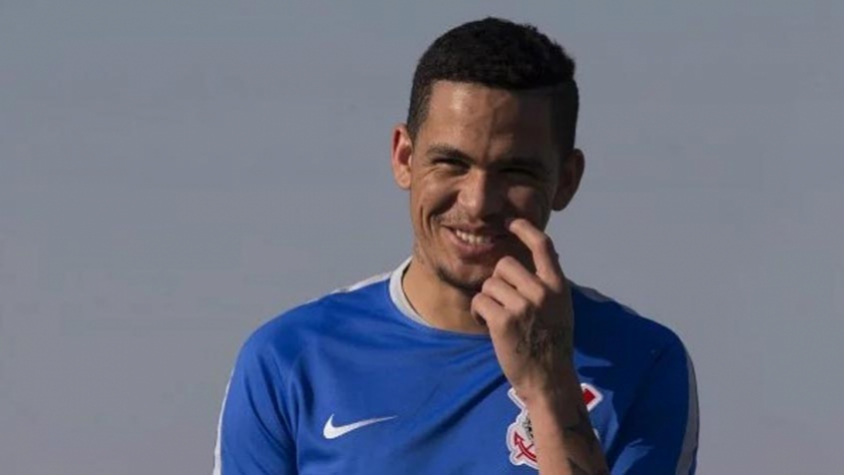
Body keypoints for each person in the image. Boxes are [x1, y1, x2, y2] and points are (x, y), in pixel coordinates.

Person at [213, 17, 699, 475]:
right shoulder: (290, 358)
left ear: (566, 180)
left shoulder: (643, 361)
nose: (478, 202)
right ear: (404, 157)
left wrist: (550, 388)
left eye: (515, 171)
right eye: (451, 163)